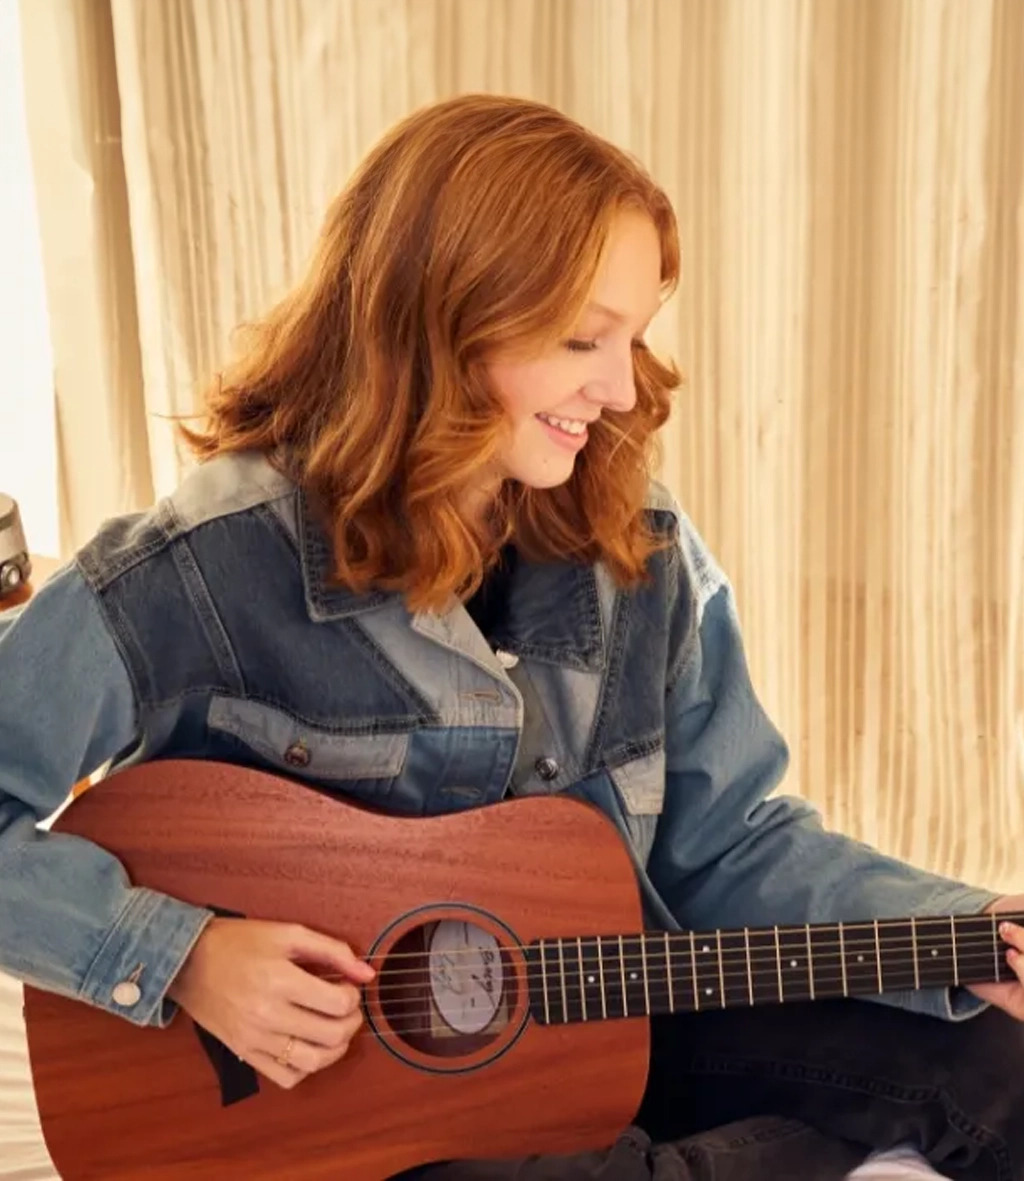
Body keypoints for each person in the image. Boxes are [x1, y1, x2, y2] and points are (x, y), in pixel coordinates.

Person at [0, 94, 1022, 1181]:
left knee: (999, 1067)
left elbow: (730, 845)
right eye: (582, 337)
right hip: (342, 1122)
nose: (620, 386)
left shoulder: (642, 551)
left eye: (631, 336)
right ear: (439, 318)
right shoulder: (196, 567)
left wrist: (976, 926)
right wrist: (180, 954)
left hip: (608, 1027)